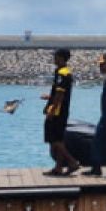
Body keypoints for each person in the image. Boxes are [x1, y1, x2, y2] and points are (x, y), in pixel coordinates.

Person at [42, 48, 81, 176]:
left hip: (58, 112)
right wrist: (49, 98)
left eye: (56, 57)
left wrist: (52, 110)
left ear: (62, 58)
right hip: (62, 110)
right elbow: (60, 92)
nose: (54, 59)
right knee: (59, 139)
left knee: (54, 140)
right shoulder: (63, 72)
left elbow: (60, 93)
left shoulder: (62, 73)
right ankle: (58, 167)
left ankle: (72, 162)